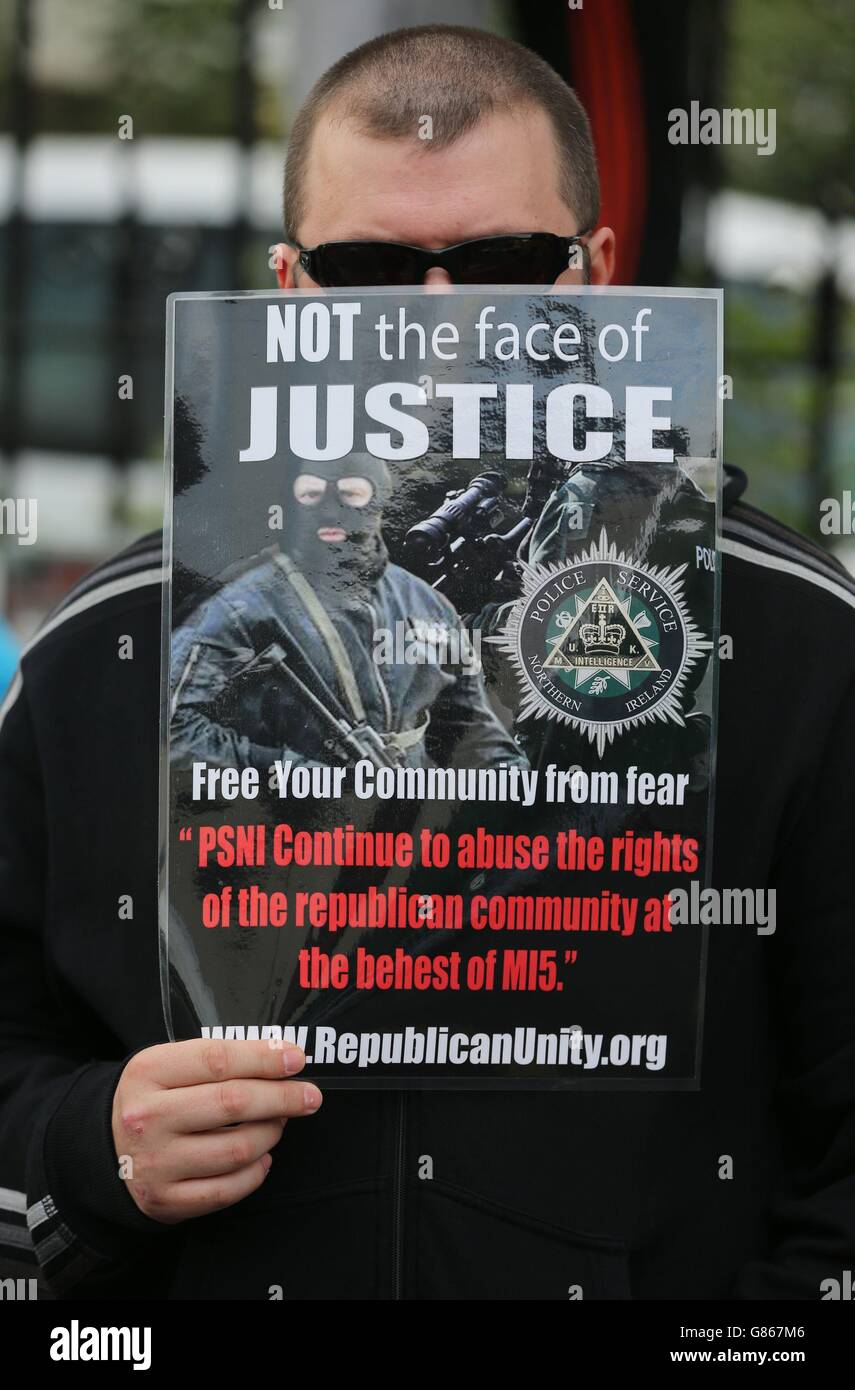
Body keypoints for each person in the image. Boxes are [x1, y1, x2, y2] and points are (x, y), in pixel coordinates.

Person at [1, 24, 853, 1300]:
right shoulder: (106, 647)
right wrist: (87, 1141)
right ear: (290, 291)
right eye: (370, 269)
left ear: (597, 279)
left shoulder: (796, 639)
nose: (438, 326)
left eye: (505, 263)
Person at [169, 454, 525, 774]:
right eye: (310, 494)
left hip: (404, 818)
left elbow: (467, 724)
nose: (329, 509)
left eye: (351, 494)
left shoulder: (424, 603)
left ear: (381, 503)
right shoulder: (241, 603)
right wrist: (286, 768)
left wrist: (513, 779)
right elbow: (171, 728)